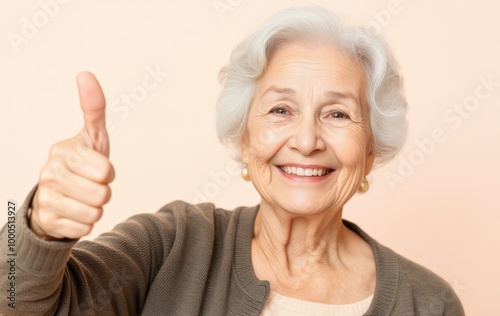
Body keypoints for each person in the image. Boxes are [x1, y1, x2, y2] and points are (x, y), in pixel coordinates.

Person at [0, 6, 464, 316]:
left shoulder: (428, 303)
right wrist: (39, 228)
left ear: (369, 151)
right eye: (281, 110)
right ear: (244, 138)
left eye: (338, 113)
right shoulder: (173, 244)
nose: (306, 140)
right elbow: (14, 300)